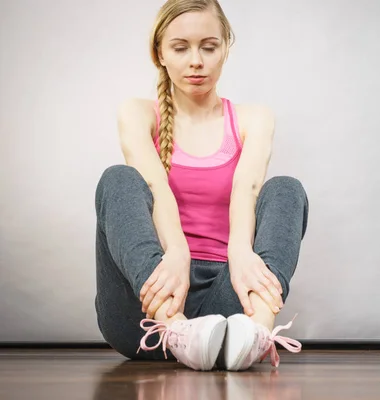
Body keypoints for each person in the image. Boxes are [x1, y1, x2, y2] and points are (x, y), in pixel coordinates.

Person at [94, 0, 309, 372]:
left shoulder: (253, 119)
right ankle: (179, 332)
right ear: (159, 53)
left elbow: (248, 187)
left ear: (226, 47)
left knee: (286, 188)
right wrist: (176, 251)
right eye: (180, 48)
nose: (196, 60)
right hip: (145, 316)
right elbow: (154, 184)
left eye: (209, 47)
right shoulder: (138, 113)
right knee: (118, 179)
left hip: (226, 305)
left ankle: (257, 331)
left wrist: (240, 251)